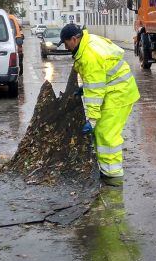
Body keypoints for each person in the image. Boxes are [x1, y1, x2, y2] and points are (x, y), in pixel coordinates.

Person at [59, 24, 140, 185]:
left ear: (74, 39)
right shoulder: (89, 42)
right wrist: (86, 87)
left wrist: (92, 119)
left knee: (106, 134)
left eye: (67, 43)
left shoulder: (89, 55)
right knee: (103, 133)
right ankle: (106, 169)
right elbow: (97, 79)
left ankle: (113, 177)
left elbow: (95, 92)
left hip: (119, 94)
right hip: (116, 89)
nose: (67, 48)